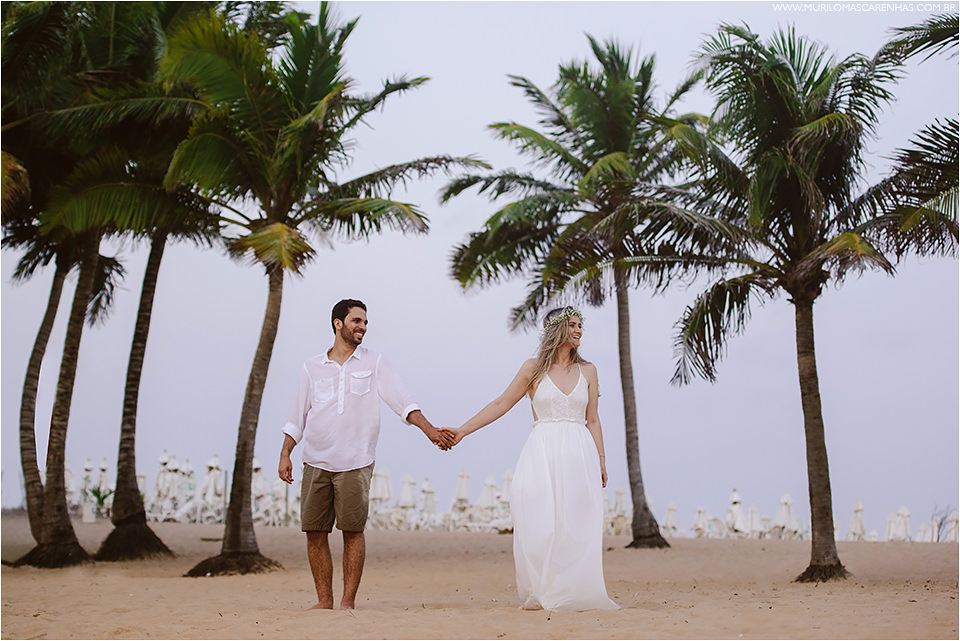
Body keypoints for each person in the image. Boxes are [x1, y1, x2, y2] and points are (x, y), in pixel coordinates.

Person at [278, 299, 454, 610]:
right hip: (315, 460)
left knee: (352, 531)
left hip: (355, 462)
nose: (363, 327)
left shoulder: (374, 362)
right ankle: (324, 601)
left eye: (365, 323)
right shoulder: (312, 367)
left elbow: (404, 402)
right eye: (357, 321)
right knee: (314, 533)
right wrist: (285, 453)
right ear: (338, 323)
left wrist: (430, 431)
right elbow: (297, 417)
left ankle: (347, 602)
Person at [441, 306, 619, 611]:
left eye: (580, 326)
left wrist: (601, 460)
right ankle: (543, 590)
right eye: (573, 325)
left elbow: (593, 420)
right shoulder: (531, 369)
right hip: (541, 451)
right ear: (557, 329)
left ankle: (574, 591)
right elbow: (500, 404)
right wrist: (463, 431)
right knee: (539, 523)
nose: (579, 331)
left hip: (579, 452)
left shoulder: (588, 371)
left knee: (575, 524)